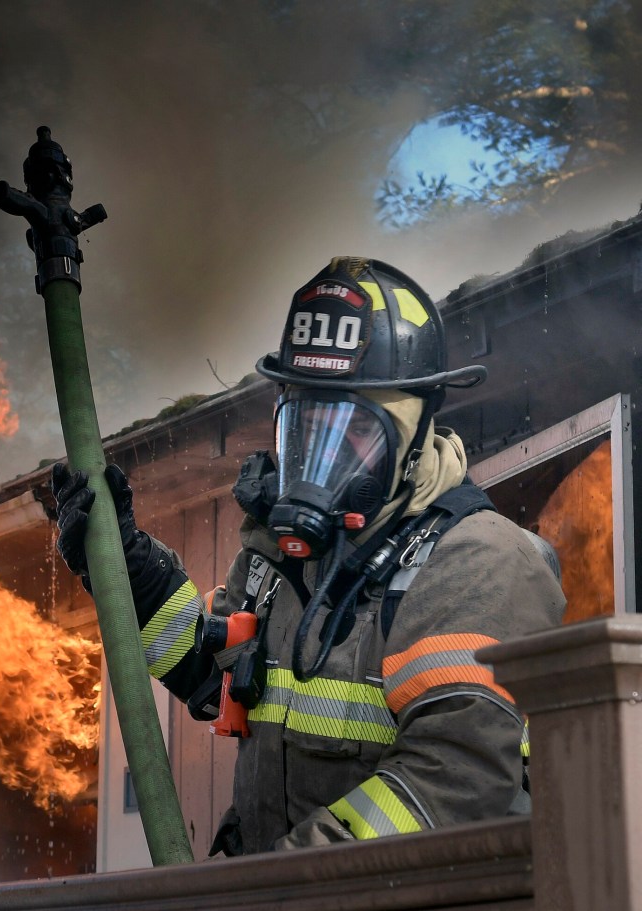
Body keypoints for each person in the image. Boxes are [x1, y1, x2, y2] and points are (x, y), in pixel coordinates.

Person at [52, 256, 565, 854]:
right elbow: (212, 679)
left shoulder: (479, 562)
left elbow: (450, 779)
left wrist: (278, 885)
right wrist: (125, 567)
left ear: (414, 433)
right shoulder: (283, 563)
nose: (322, 456)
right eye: (307, 425)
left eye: (353, 430)